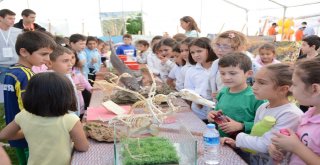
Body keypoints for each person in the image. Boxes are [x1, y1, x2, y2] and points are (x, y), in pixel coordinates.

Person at [0, 72, 89, 165]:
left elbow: (4, 135)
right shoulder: (70, 119)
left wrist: (31, 131)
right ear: (67, 96)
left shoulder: (23, 115)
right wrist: (84, 131)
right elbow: (83, 147)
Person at [221, 63, 303, 164]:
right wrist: (237, 144)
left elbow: (266, 144)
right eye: (255, 81)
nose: (254, 87)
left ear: (283, 89)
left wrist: (239, 138)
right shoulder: (263, 107)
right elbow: (256, 136)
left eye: (262, 83)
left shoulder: (290, 114)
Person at [3, 31, 56, 165]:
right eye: (43, 54)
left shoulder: (12, 71)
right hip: (27, 135)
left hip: (15, 130)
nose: (48, 59)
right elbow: (28, 109)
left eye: (49, 54)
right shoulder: (26, 75)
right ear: (24, 52)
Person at [269, 57, 320, 165]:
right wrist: (284, 145)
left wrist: (296, 147)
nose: (291, 89)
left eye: (295, 84)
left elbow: (299, 147)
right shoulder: (309, 114)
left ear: (314, 89)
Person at [207, 53, 265, 138]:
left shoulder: (256, 97)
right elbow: (218, 112)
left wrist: (242, 126)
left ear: (248, 73)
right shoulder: (222, 92)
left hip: (245, 147)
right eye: (222, 73)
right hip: (222, 141)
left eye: (232, 73)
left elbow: (265, 125)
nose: (226, 77)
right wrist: (212, 116)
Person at [184, 37, 218, 122]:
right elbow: (188, 91)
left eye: (199, 51)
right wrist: (196, 100)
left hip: (216, 111)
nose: (196, 55)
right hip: (198, 112)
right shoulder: (191, 71)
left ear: (209, 50)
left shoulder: (218, 67)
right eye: (192, 52)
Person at [209, 30, 249, 99]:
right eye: (217, 45)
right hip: (221, 102)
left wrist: (225, 93)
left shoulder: (246, 63)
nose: (220, 50)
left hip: (241, 101)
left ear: (238, 48)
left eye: (226, 47)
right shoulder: (216, 63)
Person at [0, 9, 22, 84]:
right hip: (2, 66)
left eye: (14, 18)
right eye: (10, 18)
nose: (13, 21)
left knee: (15, 89)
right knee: (3, 91)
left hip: (17, 65)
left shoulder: (19, 32)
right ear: (1, 18)